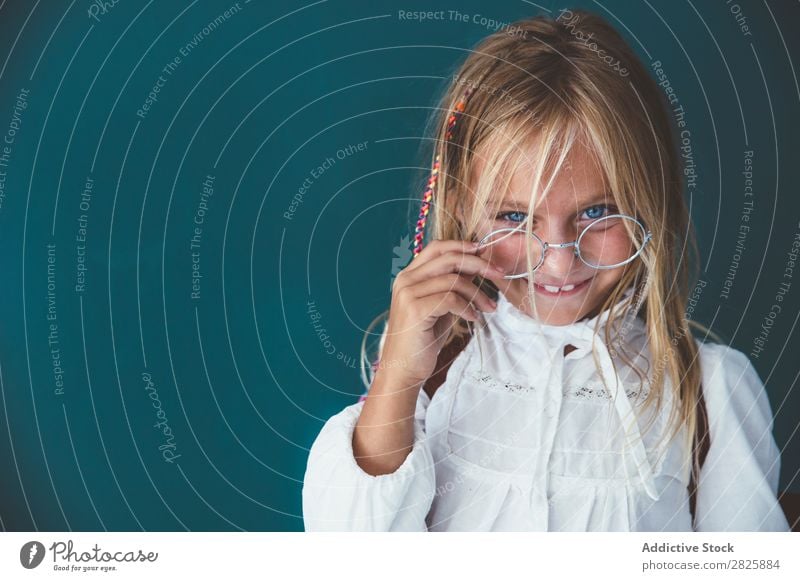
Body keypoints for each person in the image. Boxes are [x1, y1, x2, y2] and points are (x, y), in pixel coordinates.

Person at [301, 9, 790, 532]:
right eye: (514, 216)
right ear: (462, 203)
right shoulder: (434, 369)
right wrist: (399, 374)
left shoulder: (708, 392)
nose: (558, 260)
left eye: (598, 213)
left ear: (649, 199)